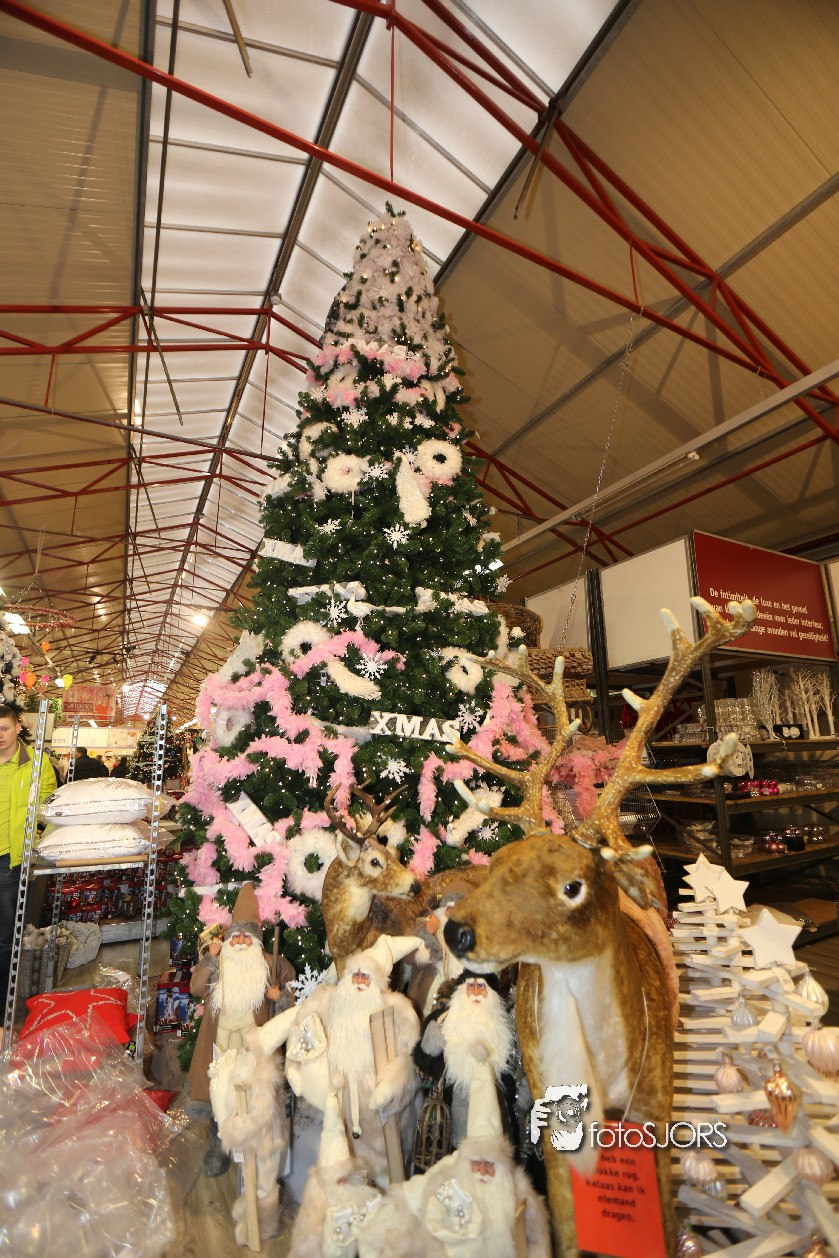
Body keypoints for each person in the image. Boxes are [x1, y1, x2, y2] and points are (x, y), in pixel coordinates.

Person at [188, 883, 296, 1175]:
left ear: (257, 940)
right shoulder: (218, 964)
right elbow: (196, 988)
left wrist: (280, 997)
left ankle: (258, 1148)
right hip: (220, 1047)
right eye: (235, 937)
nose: (240, 942)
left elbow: (292, 999)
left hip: (253, 1047)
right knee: (220, 1093)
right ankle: (221, 1144)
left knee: (255, 1094)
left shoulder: (270, 965)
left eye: (246, 937)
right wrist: (209, 959)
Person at [0, 702, 57, 1005]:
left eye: (4, 728)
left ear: (18, 727)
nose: (0, 735)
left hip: (10, 861)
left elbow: (49, 805)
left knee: (5, 936)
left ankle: (3, 1008)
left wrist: (35, 836)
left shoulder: (36, 762)